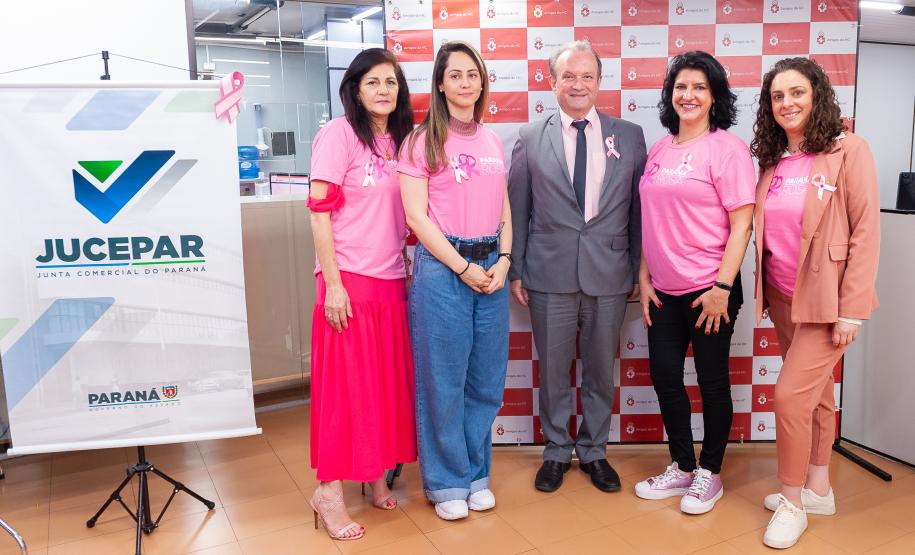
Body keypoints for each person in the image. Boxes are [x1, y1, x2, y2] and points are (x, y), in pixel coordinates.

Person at [750, 57, 879, 549]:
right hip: (784, 297)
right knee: (819, 394)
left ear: (818, 94)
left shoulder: (849, 150)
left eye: (797, 92)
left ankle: (792, 501)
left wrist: (854, 308)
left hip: (828, 303)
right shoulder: (775, 158)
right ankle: (819, 487)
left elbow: (866, 231)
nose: (788, 103)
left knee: (789, 397)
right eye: (778, 96)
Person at [508, 41, 646, 494]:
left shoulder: (628, 135)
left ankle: (594, 451)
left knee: (601, 370)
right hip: (548, 274)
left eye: (587, 76)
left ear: (599, 82)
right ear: (552, 82)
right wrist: (517, 270)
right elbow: (519, 208)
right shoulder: (529, 137)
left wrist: (634, 269)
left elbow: (637, 212)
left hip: (609, 274)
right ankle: (555, 451)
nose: (578, 84)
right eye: (569, 76)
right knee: (553, 371)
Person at [632, 51, 755, 514]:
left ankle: (710, 472)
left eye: (700, 87)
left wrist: (722, 288)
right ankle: (682, 465)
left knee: (711, 382)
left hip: (710, 290)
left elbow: (742, 224)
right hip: (662, 290)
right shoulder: (661, 149)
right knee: (665, 378)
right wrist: (644, 279)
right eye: (681, 87)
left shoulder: (728, 149)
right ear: (670, 95)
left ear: (715, 96)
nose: (689, 95)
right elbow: (649, 220)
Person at [399, 41, 512, 522]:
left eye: (474, 74)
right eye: (456, 75)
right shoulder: (420, 141)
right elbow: (417, 218)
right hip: (443, 272)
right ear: (440, 83)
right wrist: (462, 268)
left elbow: (504, 206)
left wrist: (504, 259)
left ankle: (475, 474)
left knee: (485, 381)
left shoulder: (490, 140)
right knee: (442, 381)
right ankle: (446, 481)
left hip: (492, 269)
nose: (467, 83)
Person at [306, 48, 417, 541]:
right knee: (343, 392)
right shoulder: (337, 134)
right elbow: (319, 211)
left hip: (391, 279)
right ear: (354, 87)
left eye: (391, 82)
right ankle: (328, 491)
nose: (383, 91)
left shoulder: (400, 140)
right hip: (348, 280)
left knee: (379, 386)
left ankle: (373, 473)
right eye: (373, 82)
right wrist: (332, 284)